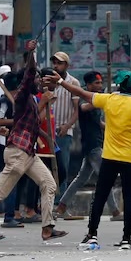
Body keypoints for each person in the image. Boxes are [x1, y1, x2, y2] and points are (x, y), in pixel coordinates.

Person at [52, 69, 131, 249]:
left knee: (99, 197)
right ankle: (126, 239)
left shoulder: (109, 99)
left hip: (109, 157)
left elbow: (81, 93)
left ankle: (92, 234)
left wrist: (61, 82)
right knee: (129, 198)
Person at [0, 40, 67, 242]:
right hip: (18, 152)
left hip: (28, 153)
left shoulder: (33, 100)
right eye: (37, 78)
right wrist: (31, 54)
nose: (38, 80)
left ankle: (47, 228)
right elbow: (29, 76)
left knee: (49, 184)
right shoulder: (22, 95)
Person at [56, 72, 122, 220]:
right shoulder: (85, 101)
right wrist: (106, 98)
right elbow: (84, 108)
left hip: (95, 144)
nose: (99, 86)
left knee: (81, 179)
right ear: (89, 85)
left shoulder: (97, 101)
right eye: (96, 83)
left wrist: (113, 128)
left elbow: (98, 123)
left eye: (100, 83)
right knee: (106, 177)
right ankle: (116, 212)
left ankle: (61, 207)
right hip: (93, 146)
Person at [0, 72, 23, 228]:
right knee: (9, 182)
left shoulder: (16, 101)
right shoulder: (5, 101)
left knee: (11, 182)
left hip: (15, 145)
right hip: (4, 146)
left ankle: (10, 212)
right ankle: (8, 215)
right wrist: (18, 120)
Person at [50, 52, 81, 198]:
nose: (56, 66)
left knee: (63, 167)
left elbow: (76, 111)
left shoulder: (73, 83)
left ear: (66, 65)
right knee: (46, 168)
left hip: (63, 131)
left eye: (59, 63)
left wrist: (66, 126)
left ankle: (60, 202)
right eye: (54, 62)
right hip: (47, 132)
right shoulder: (48, 80)